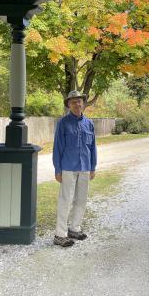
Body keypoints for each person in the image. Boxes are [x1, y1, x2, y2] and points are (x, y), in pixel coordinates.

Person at [52, 90, 97, 247]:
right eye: (73, 102)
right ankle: (60, 234)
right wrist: (57, 169)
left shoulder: (89, 124)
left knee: (81, 199)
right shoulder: (63, 123)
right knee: (66, 200)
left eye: (79, 101)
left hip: (85, 167)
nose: (77, 104)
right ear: (69, 105)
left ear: (83, 103)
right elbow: (57, 147)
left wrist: (93, 167)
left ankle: (74, 229)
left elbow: (93, 147)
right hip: (68, 167)